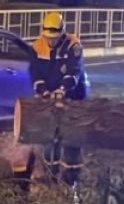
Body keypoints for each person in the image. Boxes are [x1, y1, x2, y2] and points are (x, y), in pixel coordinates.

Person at [30, 11, 86, 185]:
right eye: (48, 38)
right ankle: (50, 175)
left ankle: (71, 179)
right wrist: (44, 91)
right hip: (49, 100)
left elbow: (73, 73)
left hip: (73, 100)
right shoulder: (37, 46)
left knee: (71, 138)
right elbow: (35, 74)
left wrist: (62, 90)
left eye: (54, 38)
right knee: (49, 137)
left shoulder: (73, 46)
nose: (51, 41)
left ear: (62, 32)